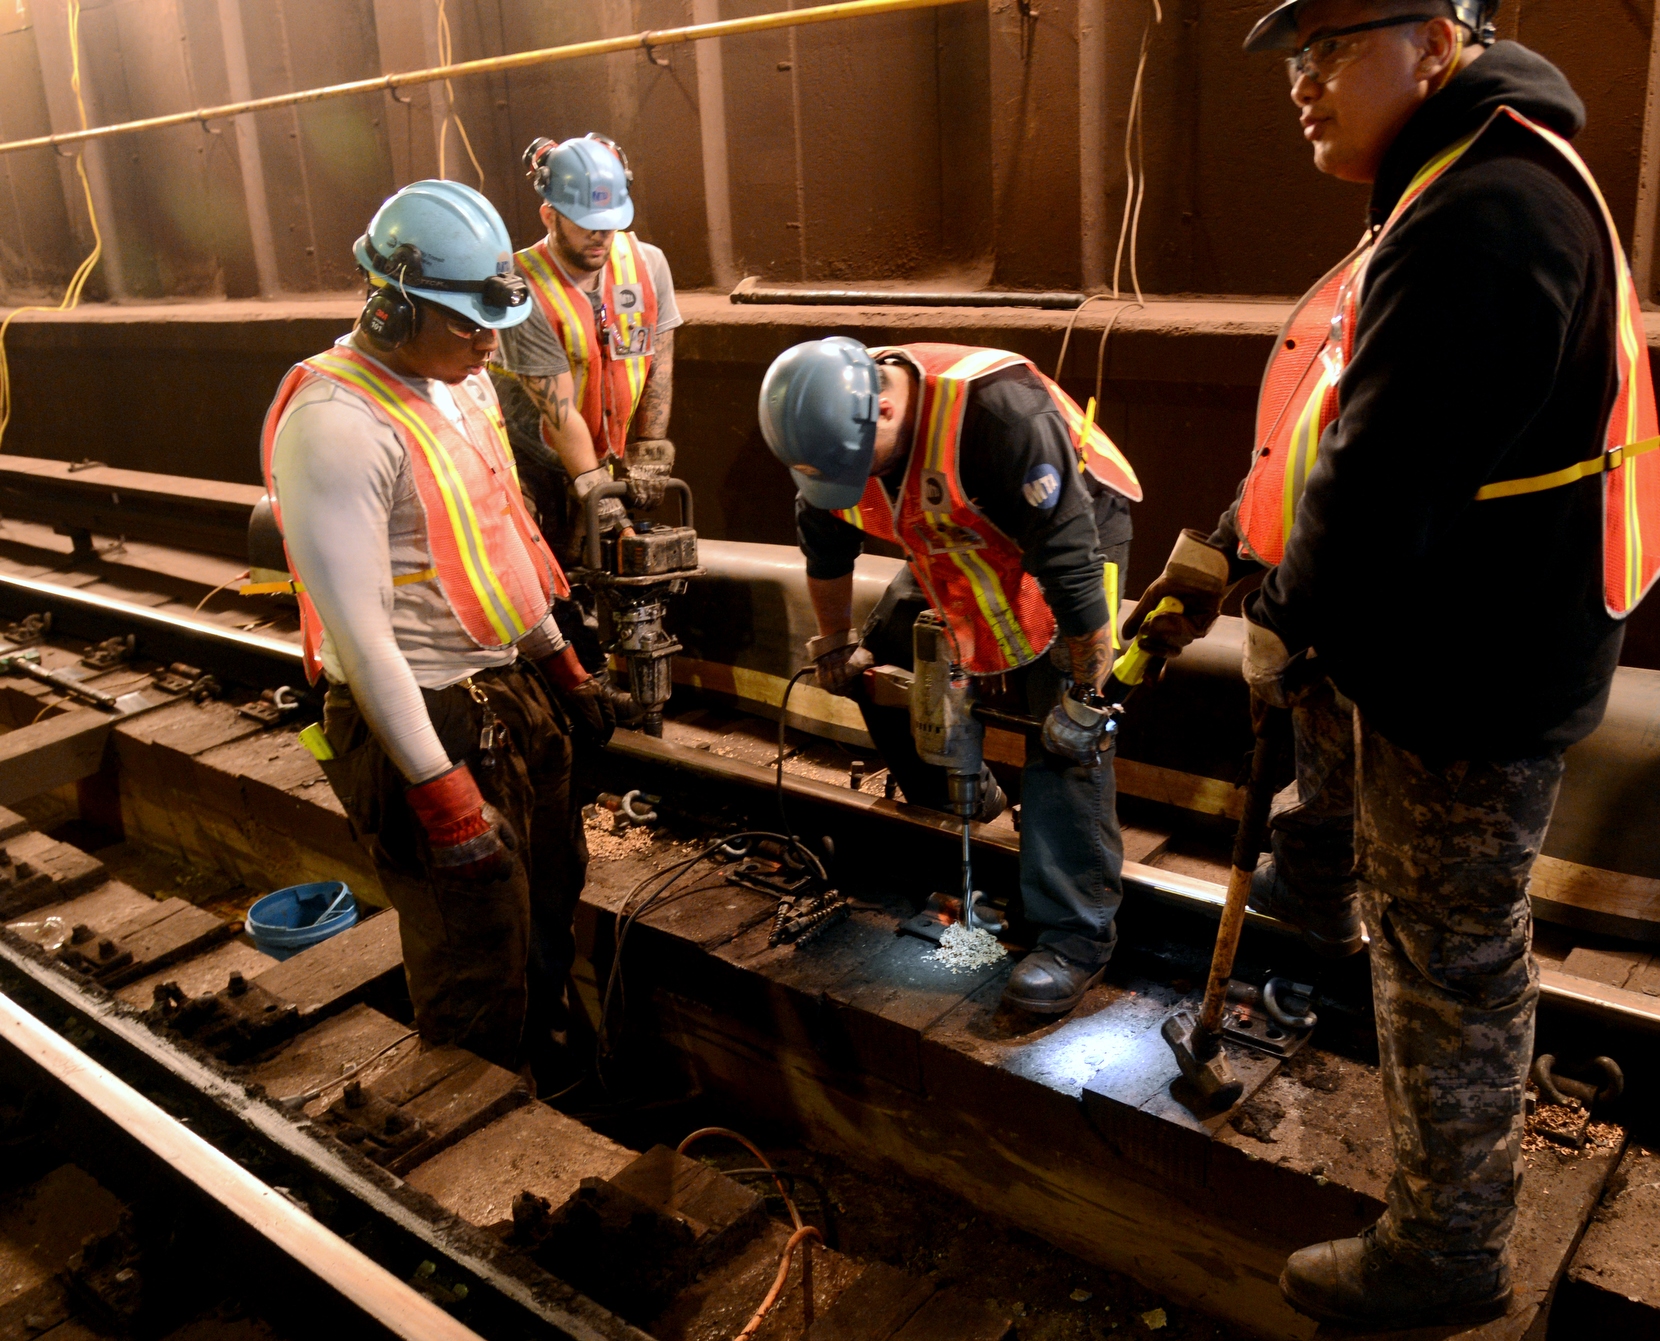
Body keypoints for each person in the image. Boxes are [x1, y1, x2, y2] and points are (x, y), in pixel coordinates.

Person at [1127, 0, 1660, 1326]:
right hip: (1464, 635)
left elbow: (1380, 487)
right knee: (1437, 938)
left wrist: (1287, 628)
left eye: (1331, 47)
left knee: (1449, 964)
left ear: (1432, 39)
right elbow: (1347, 419)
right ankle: (1318, 932)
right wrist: (1243, 554)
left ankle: (1444, 1249)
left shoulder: (1481, 209)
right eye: (1293, 58)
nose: (1300, 81)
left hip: (1470, 673)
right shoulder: (1473, 168)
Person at [260, 180, 615, 1085]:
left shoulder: (459, 384)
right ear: (388, 306)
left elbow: (499, 540)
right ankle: (476, 1130)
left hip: (508, 694)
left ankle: (549, 1082)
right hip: (429, 718)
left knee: (545, 904)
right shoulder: (336, 424)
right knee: (474, 950)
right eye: (466, 323)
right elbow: (363, 633)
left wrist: (560, 661)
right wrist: (442, 793)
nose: (489, 342)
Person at [759, 338, 1142, 1016]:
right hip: (952, 523)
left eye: (858, 471)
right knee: (879, 661)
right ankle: (970, 801)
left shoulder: (998, 417)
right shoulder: (834, 430)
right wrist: (835, 646)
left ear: (883, 410)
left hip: (1069, 520)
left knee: (1063, 733)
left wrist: (1086, 698)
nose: (852, 487)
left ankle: (1076, 934)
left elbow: (1073, 572)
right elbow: (825, 539)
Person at [491, 133, 681, 665]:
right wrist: (593, 487)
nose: (601, 234)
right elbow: (558, 410)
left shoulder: (647, 265)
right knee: (545, 585)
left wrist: (651, 445)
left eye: (611, 219)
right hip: (533, 464)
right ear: (549, 214)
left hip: (609, 454)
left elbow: (659, 352)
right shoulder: (521, 287)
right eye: (584, 222)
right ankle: (560, 679)